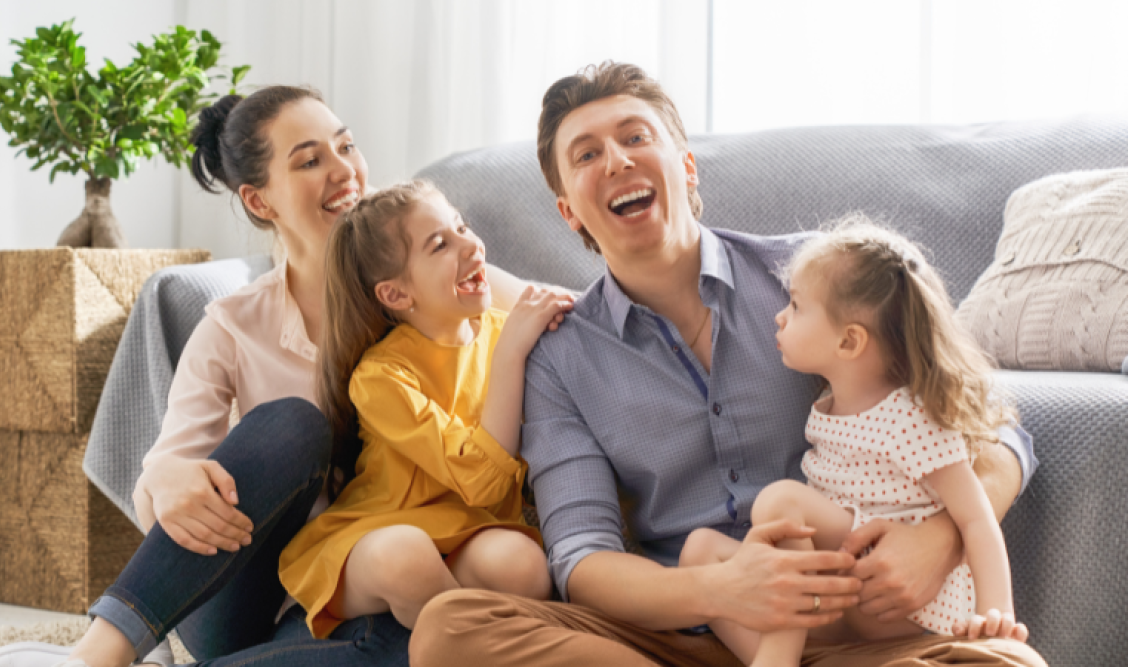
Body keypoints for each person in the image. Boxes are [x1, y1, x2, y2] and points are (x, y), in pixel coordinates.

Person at [409, 62, 1046, 667]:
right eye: (586, 154)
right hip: (678, 636)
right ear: (568, 211)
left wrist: (940, 536)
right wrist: (723, 591)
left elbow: (993, 426)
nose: (617, 160)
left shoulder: (814, 276)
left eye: (635, 136)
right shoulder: (559, 357)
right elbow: (582, 560)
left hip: (861, 631)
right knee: (451, 629)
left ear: (686, 168)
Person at [0, 86, 535, 667]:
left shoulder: (440, 280)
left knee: (402, 641)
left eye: (346, 146)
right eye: (310, 160)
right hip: (254, 595)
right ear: (260, 202)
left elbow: (565, 312)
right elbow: (164, 485)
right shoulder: (236, 327)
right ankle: (97, 655)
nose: (344, 171)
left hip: (387, 585)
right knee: (293, 425)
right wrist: (166, 475)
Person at [679, 218, 1029, 666]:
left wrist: (996, 619)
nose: (780, 316)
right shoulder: (828, 404)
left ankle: (778, 659)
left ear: (849, 341)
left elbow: (976, 519)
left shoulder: (908, 416)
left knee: (782, 501)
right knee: (700, 552)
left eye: (797, 307)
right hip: (842, 592)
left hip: (900, 601)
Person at [277, 181, 570, 638]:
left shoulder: (503, 332)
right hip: (379, 536)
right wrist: (513, 351)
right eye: (440, 244)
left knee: (524, 566)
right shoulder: (379, 378)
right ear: (396, 295)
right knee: (407, 557)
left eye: (462, 227)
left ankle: (438, 632)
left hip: (468, 530)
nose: (470, 244)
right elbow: (481, 478)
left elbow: (490, 502)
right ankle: (454, 642)